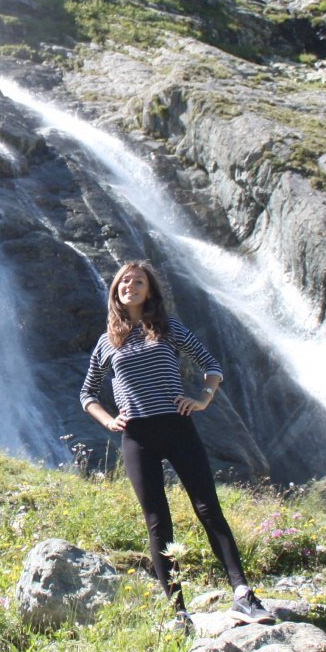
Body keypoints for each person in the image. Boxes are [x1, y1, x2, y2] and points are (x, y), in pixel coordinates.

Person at [80, 259, 275, 630]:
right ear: (116, 291)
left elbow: (211, 364)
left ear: (149, 290)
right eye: (124, 281)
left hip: (177, 426)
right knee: (157, 522)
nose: (130, 286)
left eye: (138, 281)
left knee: (208, 509)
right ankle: (177, 612)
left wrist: (203, 398)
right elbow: (87, 393)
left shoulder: (168, 329)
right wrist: (109, 420)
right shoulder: (108, 342)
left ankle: (243, 594)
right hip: (136, 435)